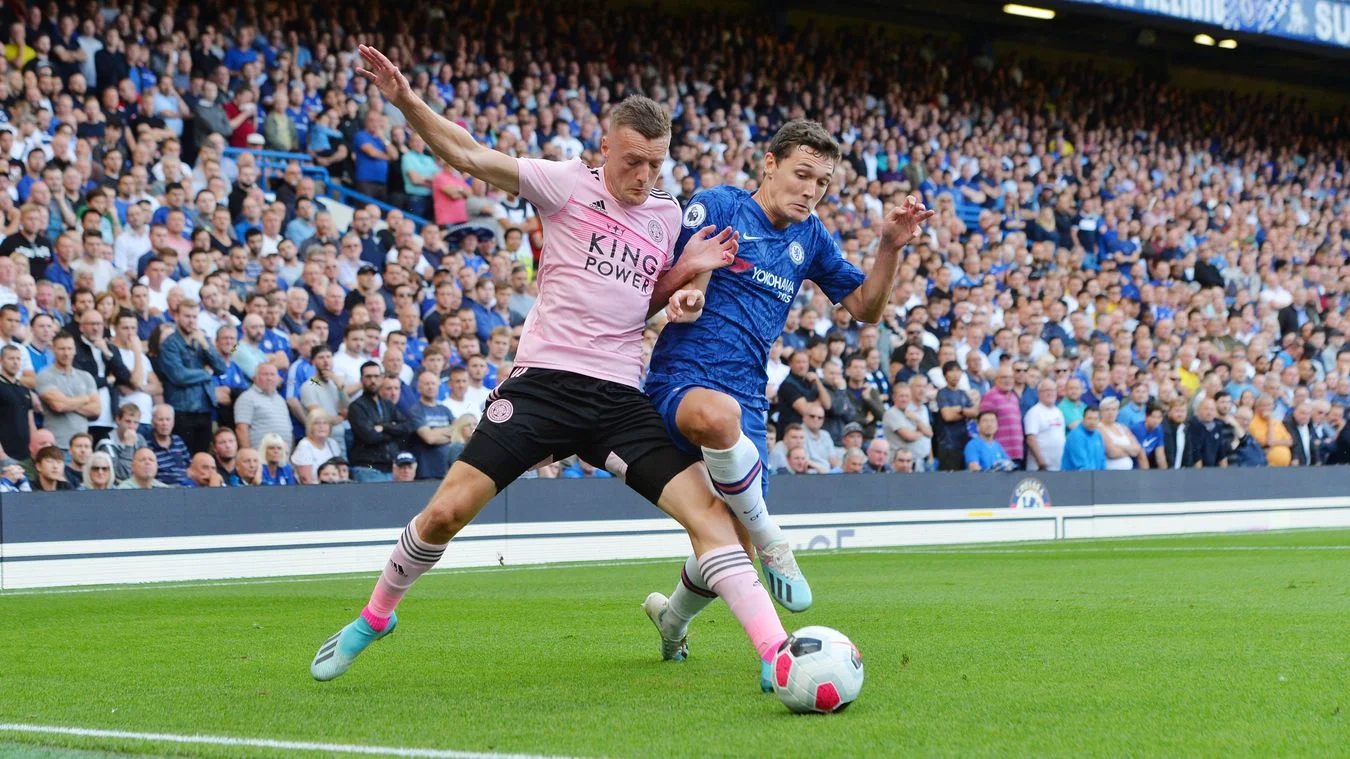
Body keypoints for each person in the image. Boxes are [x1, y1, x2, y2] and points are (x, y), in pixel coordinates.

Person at [312, 47, 785, 695]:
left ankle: (776, 652)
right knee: (446, 511)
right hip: (543, 385)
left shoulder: (667, 215)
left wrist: (682, 276)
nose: (644, 175)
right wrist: (405, 101)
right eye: (632, 161)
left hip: (618, 397)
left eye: (656, 163)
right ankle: (375, 616)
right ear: (604, 148)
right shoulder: (563, 183)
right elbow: (468, 154)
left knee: (710, 517)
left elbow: (640, 300)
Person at [155, 299, 226, 453]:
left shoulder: (202, 339)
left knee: (203, 455)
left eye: (194, 317)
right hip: (182, 409)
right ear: (176, 317)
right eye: (187, 316)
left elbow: (221, 368)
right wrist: (206, 373)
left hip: (204, 408)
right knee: (186, 456)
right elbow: (180, 376)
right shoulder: (169, 344)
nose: (191, 321)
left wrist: (206, 346)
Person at [36, 332, 100, 449]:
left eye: (69, 349)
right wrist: (85, 399)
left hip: (82, 446)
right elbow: (59, 406)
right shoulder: (45, 376)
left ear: (75, 350)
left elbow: (96, 410)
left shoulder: (86, 376)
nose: (66, 353)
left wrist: (66, 402)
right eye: (62, 349)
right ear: (53, 349)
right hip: (56, 445)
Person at [234, 362, 292, 450]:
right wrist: (248, 453)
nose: (269, 378)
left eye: (272, 374)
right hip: (259, 454)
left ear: (278, 379)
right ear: (255, 378)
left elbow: (289, 428)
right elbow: (241, 429)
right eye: (265, 374)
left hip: (283, 454)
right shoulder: (246, 397)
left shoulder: (281, 400)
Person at [0, 345, 37, 463]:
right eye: (11, 358)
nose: (15, 362)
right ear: (1, 360)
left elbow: (31, 423)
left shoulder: (24, 389)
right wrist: (1, 454)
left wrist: (35, 450)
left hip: (26, 455)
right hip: (5, 455)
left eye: (18, 359)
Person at [1023, 379, 1066, 471]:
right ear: (1039, 393)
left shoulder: (1059, 412)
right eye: (1047, 390)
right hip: (1039, 468)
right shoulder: (1034, 412)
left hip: (1058, 466)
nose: (1050, 393)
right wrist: (1041, 462)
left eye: (1053, 390)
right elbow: (1031, 440)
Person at [146, 403, 191, 486]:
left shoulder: (178, 441)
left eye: (168, 419)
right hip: (161, 488)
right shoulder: (147, 445)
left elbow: (189, 466)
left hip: (185, 487)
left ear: (173, 422)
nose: (165, 423)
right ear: (152, 422)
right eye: (160, 419)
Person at [292, 412, 341, 484]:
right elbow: (306, 479)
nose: (321, 426)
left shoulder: (332, 443)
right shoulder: (304, 445)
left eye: (325, 423)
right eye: (317, 423)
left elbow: (339, 471)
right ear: (310, 427)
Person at [1098, 398, 1145, 470]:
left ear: (1118, 412)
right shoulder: (1099, 428)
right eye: (1107, 409)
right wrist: (1129, 450)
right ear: (1101, 412)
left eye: (1114, 409)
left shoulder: (1122, 427)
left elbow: (1137, 449)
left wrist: (1119, 446)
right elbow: (1112, 452)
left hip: (1128, 470)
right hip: (1109, 470)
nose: (1110, 412)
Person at [1061, 406, 1106, 471]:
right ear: (1083, 419)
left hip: (1095, 475)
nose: (1092, 422)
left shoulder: (1098, 435)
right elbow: (1081, 466)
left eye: (1096, 419)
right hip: (1076, 476)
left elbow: (1102, 460)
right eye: (1089, 418)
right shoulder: (1076, 436)